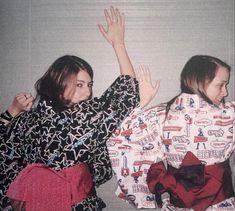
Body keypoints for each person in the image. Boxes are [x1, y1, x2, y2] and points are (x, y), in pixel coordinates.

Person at [0, 6, 145, 211]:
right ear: (59, 83)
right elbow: (126, 94)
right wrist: (118, 44)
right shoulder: (80, 118)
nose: (87, 93)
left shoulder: (25, 121)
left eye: (89, 85)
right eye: (79, 85)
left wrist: (11, 113)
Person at [107, 55, 235, 210]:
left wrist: (143, 103)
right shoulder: (230, 114)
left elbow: (121, 137)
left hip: (183, 204)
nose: (225, 92)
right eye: (220, 85)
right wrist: (143, 100)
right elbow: (119, 134)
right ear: (200, 81)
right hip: (219, 203)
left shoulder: (162, 114)